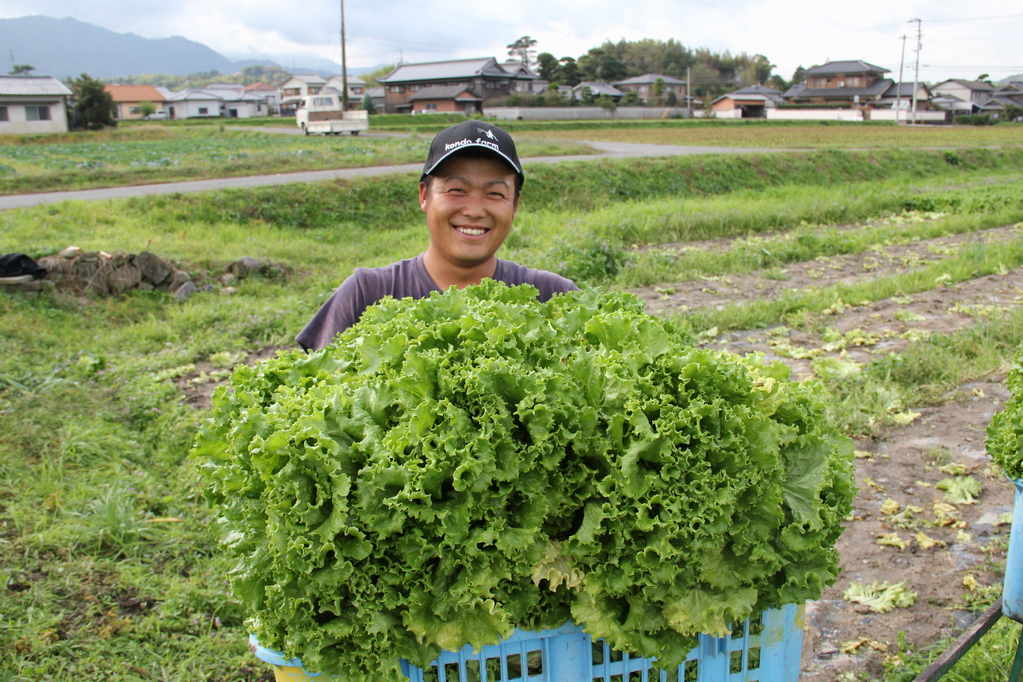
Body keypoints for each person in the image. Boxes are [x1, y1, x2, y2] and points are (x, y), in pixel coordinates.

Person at [297, 120, 578, 351]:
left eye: (494, 193)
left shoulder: (554, 297)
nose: (474, 210)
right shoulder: (365, 294)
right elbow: (314, 399)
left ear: (514, 204)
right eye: (457, 190)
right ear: (424, 196)